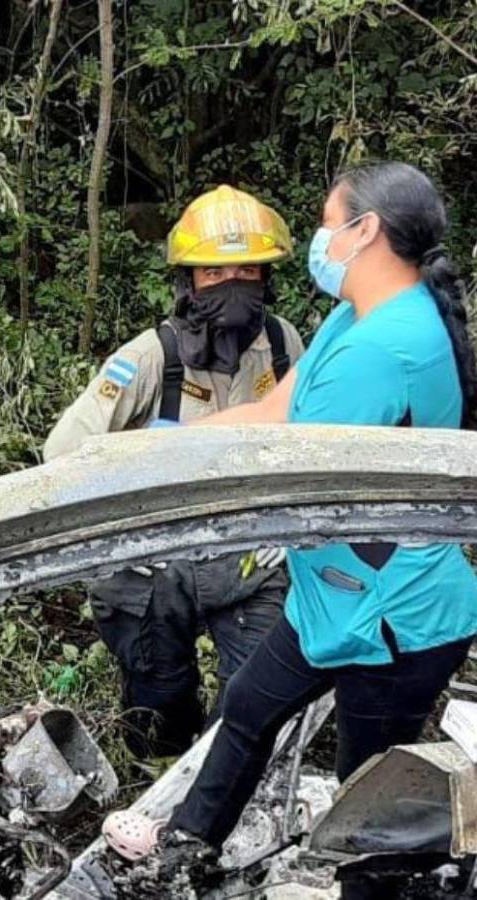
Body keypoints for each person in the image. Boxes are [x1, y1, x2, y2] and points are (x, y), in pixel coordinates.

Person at [102, 162, 477, 899]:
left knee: (365, 811)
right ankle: (185, 852)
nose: (318, 238)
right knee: (247, 708)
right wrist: (153, 447)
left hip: (394, 619)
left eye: (326, 219)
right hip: (331, 597)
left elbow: (281, 479)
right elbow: (275, 418)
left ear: (364, 229)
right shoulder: (356, 314)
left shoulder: (382, 349)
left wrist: (172, 492)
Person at [45, 185, 305, 758]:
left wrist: (291, 530)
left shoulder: (285, 346)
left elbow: (312, 446)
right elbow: (63, 451)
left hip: (247, 561)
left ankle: (220, 797)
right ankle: (149, 785)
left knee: (256, 699)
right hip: (151, 567)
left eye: (247, 272)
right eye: (215, 275)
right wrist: (124, 519)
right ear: (188, 282)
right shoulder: (150, 357)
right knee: (160, 705)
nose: (232, 286)